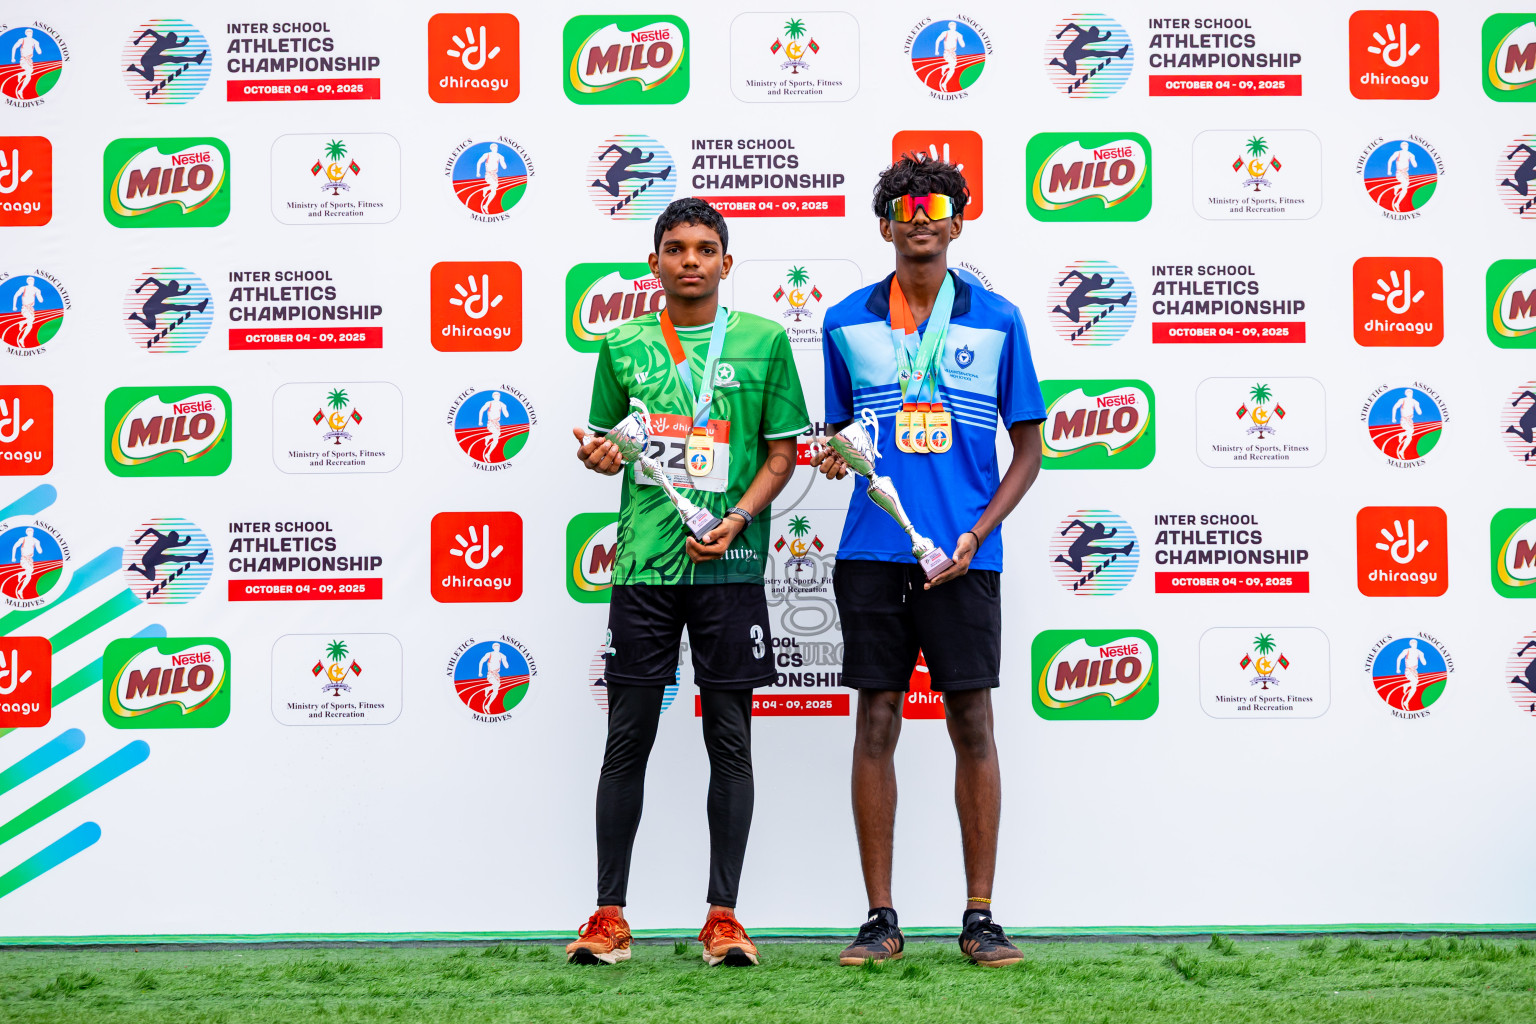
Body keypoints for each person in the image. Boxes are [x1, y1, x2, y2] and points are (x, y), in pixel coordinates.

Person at [812, 153, 1045, 967]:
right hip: (875, 550)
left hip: (965, 557)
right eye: (903, 207)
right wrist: (833, 457)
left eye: (935, 204)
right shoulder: (844, 319)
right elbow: (841, 437)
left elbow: (1029, 450)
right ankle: (880, 919)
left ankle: (980, 917)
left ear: (955, 222)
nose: (919, 217)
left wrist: (977, 536)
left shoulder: (1001, 320)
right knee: (876, 721)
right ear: (885, 225)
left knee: (972, 723)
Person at [566, 197, 810, 968]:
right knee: (625, 741)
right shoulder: (623, 343)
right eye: (676, 248)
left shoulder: (765, 342)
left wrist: (737, 517)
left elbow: (782, 454)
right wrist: (597, 457)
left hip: (729, 565)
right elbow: (605, 444)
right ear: (654, 263)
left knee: (729, 741)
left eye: (706, 248)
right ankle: (608, 916)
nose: (691, 260)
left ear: (727, 263)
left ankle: (724, 917)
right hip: (644, 565)